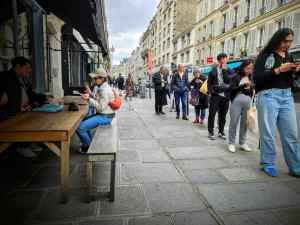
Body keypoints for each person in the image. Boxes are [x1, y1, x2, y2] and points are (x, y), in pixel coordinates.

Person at [253, 28, 300, 178]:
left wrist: (296, 70)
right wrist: (279, 69)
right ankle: (268, 163)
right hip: (268, 95)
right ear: (277, 39)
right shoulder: (265, 55)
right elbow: (257, 78)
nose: (288, 44)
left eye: (290, 41)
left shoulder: (289, 56)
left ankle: (295, 167)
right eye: (285, 41)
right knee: (268, 133)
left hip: (286, 96)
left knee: (291, 134)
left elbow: (291, 78)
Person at [0, 57, 51, 157]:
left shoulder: (24, 79)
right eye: (26, 68)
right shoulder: (5, 77)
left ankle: (28, 143)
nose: (30, 70)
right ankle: (21, 146)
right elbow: (7, 98)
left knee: (39, 120)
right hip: (11, 113)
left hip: (25, 109)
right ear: (18, 67)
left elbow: (31, 94)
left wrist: (45, 98)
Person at [76, 68, 115, 153]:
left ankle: (89, 147)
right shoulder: (102, 87)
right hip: (103, 115)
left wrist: (89, 99)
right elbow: (99, 100)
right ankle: (89, 144)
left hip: (105, 117)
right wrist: (90, 97)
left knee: (80, 128)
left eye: (96, 78)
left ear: (102, 79)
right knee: (81, 123)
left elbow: (100, 107)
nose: (94, 79)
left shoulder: (104, 90)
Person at [228, 59, 254, 153]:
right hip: (236, 102)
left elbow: (251, 91)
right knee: (234, 122)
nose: (249, 70)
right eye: (248, 68)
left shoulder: (251, 78)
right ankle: (231, 143)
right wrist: (242, 86)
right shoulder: (236, 76)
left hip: (247, 102)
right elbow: (231, 89)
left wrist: (251, 89)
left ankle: (242, 142)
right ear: (243, 67)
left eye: (251, 68)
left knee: (245, 123)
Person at [207, 53, 235, 140]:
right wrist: (211, 92)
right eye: (223, 59)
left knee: (223, 115)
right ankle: (211, 132)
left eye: (226, 59)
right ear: (219, 60)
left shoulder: (229, 70)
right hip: (216, 95)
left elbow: (231, 80)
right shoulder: (213, 70)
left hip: (225, 96)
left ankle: (221, 132)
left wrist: (225, 70)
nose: (225, 60)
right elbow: (209, 83)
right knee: (212, 114)